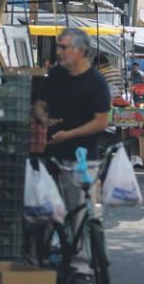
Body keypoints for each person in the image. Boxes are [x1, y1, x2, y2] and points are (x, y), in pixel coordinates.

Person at [34, 28, 111, 212]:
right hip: (52, 155)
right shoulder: (55, 75)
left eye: (63, 47)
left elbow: (101, 121)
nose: (58, 51)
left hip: (82, 160)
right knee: (45, 215)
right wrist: (43, 118)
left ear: (80, 51)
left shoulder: (96, 82)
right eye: (58, 47)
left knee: (81, 215)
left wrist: (68, 135)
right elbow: (39, 104)